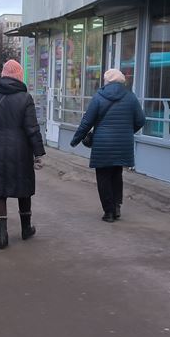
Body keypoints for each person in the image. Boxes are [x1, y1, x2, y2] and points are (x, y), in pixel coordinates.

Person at [0, 59, 45, 249]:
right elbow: (32, 128)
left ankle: (1, 235)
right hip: (20, 149)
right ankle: (26, 229)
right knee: (23, 188)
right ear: (20, 77)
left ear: (3, 76)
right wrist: (38, 153)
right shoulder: (25, 98)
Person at [69, 68, 145, 222]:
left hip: (102, 144)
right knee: (117, 174)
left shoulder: (99, 97)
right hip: (122, 144)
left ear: (107, 81)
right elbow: (141, 120)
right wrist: (127, 132)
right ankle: (117, 207)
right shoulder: (130, 97)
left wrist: (75, 140)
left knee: (103, 177)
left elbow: (87, 122)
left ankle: (108, 212)